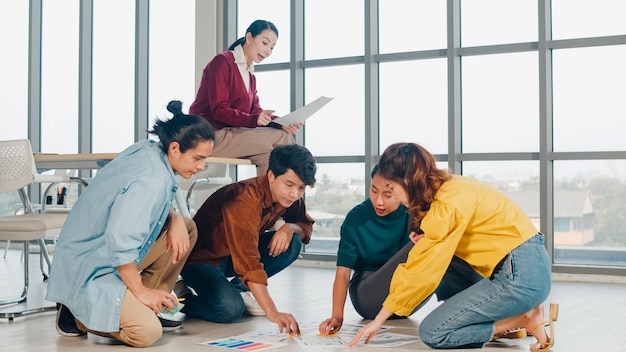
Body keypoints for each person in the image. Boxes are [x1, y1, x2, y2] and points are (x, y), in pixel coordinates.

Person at [347, 142, 558, 352]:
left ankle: (521, 320)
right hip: (525, 265)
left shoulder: (446, 205)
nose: (393, 197)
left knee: (434, 332)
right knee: (444, 262)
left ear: (407, 181)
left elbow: (420, 271)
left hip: (521, 278)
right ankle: (511, 315)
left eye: (392, 189)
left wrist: (378, 319)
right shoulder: (451, 186)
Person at [46, 101, 215, 348]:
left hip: (92, 255)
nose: (201, 166)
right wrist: (140, 290)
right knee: (146, 332)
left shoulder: (150, 150)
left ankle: (148, 305)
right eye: (198, 158)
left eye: (205, 159)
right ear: (175, 148)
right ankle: (78, 313)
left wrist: (175, 217)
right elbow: (120, 238)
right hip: (91, 267)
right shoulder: (153, 178)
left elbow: (133, 201)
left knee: (186, 228)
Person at [179, 143, 316, 336]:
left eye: (301, 188)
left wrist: (289, 227)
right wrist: (272, 311)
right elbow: (248, 261)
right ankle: (184, 298)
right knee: (229, 309)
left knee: (292, 243)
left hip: (233, 257)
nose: (295, 193)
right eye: (289, 184)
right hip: (202, 261)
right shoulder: (244, 199)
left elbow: (305, 226)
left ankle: (238, 289)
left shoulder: (290, 197)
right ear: (271, 176)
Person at [319, 164, 427, 336]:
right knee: (427, 242)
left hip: (405, 299)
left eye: (388, 195)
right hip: (368, 295)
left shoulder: (413, 213)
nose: (379, 201)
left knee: (441, 246)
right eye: (374, 190)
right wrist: (337, 315)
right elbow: (343, 273)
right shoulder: (356, 218)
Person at [189, 19, 302, 176]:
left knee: (269, 156)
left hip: (230, 133)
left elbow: (256, 112)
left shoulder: (249, 75)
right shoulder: (223, 62)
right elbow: (219, 110)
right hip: (208, 136)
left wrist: (282, 123)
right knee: (283, 139)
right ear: (249, 37)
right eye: (265, 43)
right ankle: (294, 189)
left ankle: (268, 200)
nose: (268, 51)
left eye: (272, 47)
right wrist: (254, 120)